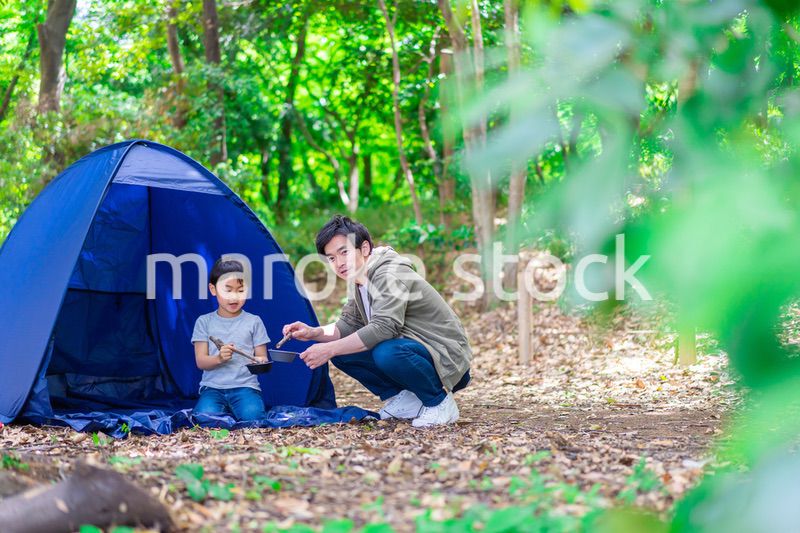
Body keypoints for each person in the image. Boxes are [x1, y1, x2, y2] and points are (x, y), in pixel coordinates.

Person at [283, 215, 472, 427]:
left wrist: (330, 349)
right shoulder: (359, 279)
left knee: (386, 352)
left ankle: (438, 403)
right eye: (332, 258)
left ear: (364, 249)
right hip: (415, 350)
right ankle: (408, 398)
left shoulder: (390, 273)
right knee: (341, 352)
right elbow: (348, 324)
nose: (339, 263)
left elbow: (384, 328)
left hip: (446, 357)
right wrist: (313, 332)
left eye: (344, 252)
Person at [191, 258, 269, 421]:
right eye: (227, 290)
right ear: (213, 289)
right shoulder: (203, 322)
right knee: (203, 419)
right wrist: (219, 358)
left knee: (254, 418)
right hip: (212, 389)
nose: (234, 297)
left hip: (245, 387)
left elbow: (263, 357)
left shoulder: (254, 321)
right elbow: (201, 361)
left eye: (240, 291)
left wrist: (259, 361)